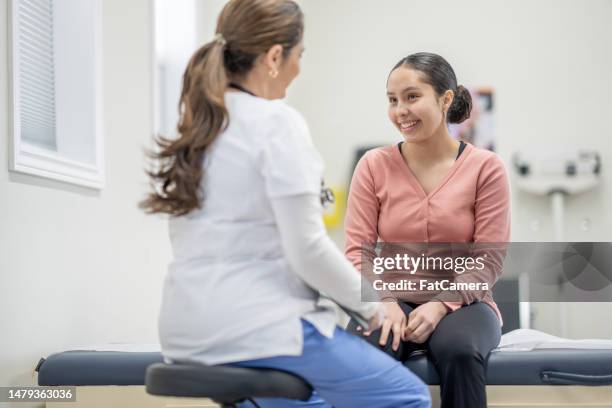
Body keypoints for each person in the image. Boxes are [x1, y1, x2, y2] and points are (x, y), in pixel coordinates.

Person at [140, 1, 430, 407]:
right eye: (300, 55)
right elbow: (307, 249)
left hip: (184, 330)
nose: (299, 68)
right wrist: (374, 306)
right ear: (275, 56)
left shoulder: (197, 128)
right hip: (259, 329)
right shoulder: (277, 122)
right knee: (407, 396)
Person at [345, 52, 511, 408]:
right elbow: (357, 251)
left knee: (460, 352)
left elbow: (489, 260)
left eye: (412, 97)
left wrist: (439, 306)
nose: (400, 110)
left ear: (445, 98)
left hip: (465, 302)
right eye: (392, 100)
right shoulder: (373, 165)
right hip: (390, 297)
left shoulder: (486, 168)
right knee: (361, 351)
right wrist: (384, 301)